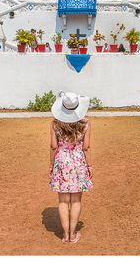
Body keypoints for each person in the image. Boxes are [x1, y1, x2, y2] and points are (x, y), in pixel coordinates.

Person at [49, 91, 93, 243]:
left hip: (61, 162)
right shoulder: (85, 124)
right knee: (76, 200)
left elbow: (54, 147)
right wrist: (89, 166)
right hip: (78, 163)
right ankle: (73, 234)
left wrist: (51, 165)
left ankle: (65, 235)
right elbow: (86, 148)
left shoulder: (55, 124)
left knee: (62, 201)